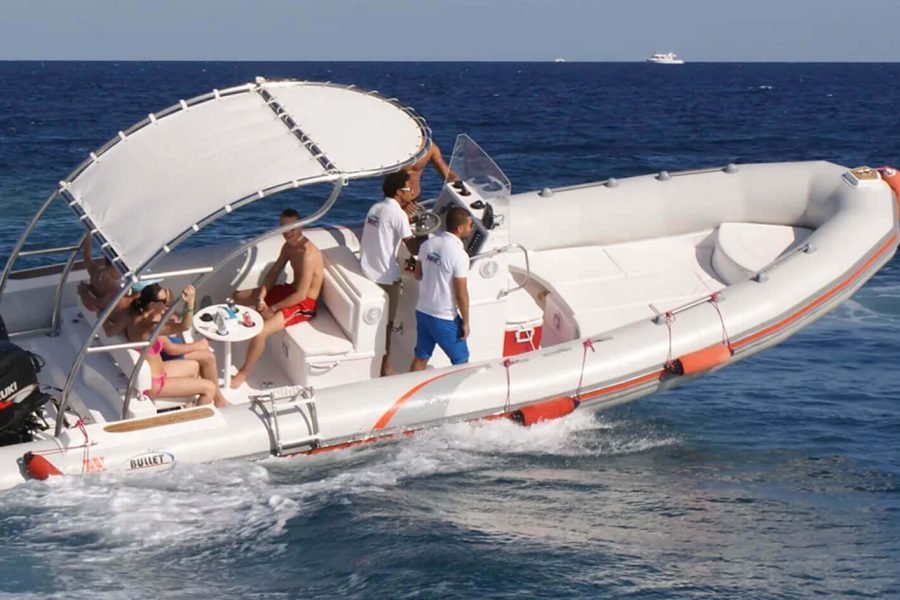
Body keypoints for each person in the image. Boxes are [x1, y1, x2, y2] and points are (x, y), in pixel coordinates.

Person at [231, 209, 324, 388]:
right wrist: (261, 297)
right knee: (237, 296)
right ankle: (228, 331)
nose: (287, 233)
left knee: (260, 332)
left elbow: (301, 295)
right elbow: (274, 273)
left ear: (301, 226)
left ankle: (243, 373)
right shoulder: (288, 247)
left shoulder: (308, 253)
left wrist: (272, 309)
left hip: (304, 304)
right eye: (283, 228)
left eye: (291, 228)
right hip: (290, 291)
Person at [125, 283, 229, 408]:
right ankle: (198, 420)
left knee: (195, 366)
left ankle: (189, 407)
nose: (166, 303)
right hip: (155, 384)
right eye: (164, 301)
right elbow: (185, 326)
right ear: (152, 305)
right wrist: (190, 303)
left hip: (158, 371)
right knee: (209, 388)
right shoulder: (150, 327)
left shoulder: (136, 317)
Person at [359, 170, 420, 376]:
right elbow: (413, 247)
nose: (411, 191)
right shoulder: (398, 214)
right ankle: (384, 367)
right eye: (407, 188)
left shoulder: (375, 208)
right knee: (388, 325)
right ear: (398, 191)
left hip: (367, 270)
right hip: (385, 277)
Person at [410, 207, 474, 371]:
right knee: (461, 361)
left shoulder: (427, 244)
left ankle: (409, 392)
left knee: (421, 357)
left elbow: (418, 274)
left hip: (423, 311)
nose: (471, 228)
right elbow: (461, 293)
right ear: (460, 228)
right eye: (470, 225)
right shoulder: (460, 255)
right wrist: (466, 322)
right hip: (444, 318)